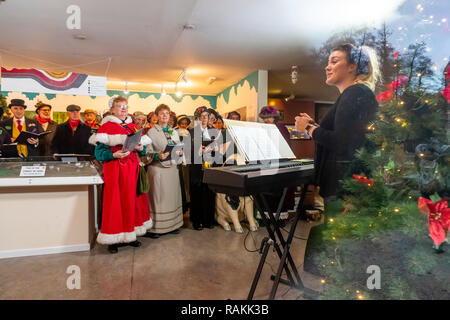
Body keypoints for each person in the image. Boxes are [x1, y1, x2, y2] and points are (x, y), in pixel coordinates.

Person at [295, 43, 380, 202]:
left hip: (344, 187)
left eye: (334, 62)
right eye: (328, 63)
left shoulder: (354, 93)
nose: (327, 67)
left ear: (352, 66)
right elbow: (348, 135)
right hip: (346, 184)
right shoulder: (355, 93)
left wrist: (308, 128)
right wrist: (316, 127)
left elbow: (342, 143)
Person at [89, 96, 153, 253]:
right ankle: (114, 239)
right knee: (116, 203)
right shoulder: (106, 127)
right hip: (116, 171)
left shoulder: (132, 126)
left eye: (125, 106)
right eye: (119, 106)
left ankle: (131, 235)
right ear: (112, 109)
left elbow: (142, 149)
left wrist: (140, 148)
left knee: (133, 202)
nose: (124, 109)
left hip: (132, 170)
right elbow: (99, 153)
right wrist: (114, 155)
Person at [145, 104, 184, 237]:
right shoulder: (151, 132)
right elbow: (146, 153)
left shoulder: (173, 131)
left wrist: (179, 151)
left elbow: (178, 147)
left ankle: (173, 225)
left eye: (167, 113)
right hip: (158, 169)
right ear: (156, 116)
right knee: (158, 200)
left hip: (172, 169)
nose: (165, 115)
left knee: (172, 198)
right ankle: (155, 228)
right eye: (162, 113)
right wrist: (157, 155)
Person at [189, 106, 218, 230]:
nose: (204, 118)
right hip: (196, 167)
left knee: (209, 192)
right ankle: (196, 221)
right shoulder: (191, 132)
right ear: (197, 118)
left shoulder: (215, 132)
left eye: (206, 116)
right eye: (201, 116)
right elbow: (185, 150)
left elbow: (220, 149)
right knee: (197, 193)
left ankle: (208, 220)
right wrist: (197, 150)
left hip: (210, 165)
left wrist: (215, 149)